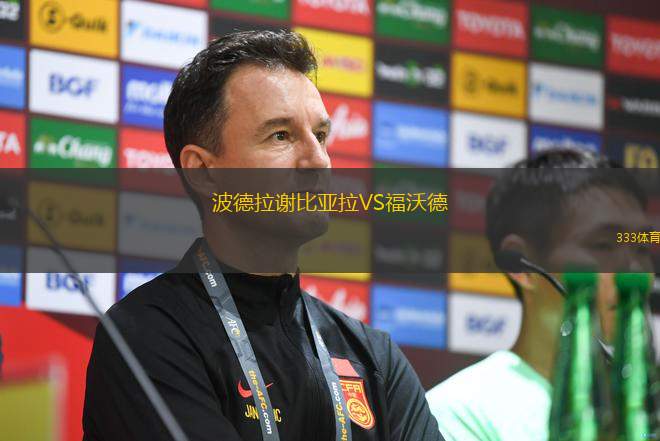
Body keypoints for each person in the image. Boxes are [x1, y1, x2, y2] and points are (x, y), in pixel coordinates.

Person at [83, 30, 441, 441]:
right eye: (281, 135)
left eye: (321, 135)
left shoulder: (374, 358)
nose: (318, 161)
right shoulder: (145, 336)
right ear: (203, 171)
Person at [426, 149, 655, 440]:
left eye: (641, 248)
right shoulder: (459, 412)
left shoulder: (644, 407)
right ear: (522, 266)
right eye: (604, 245)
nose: (635, 272)